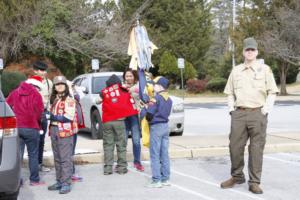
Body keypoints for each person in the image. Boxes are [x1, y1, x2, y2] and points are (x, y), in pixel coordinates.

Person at [221, 37, 279, 194]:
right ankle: (237, 176)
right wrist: (231, 110)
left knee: (256, 149)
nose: (250, 52)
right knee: (234, 147)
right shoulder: (236, 70)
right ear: (243, 52)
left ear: (257, 52)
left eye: (252, 50)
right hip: (239, 114)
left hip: (257, 114)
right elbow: (229, 93)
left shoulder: (264, 69)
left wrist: (266, 110)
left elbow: (272, 91)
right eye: (247, 49)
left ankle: (254, 181)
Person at [6, 76, 45, 186]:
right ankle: (34, 180)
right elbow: (39, 112)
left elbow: (7, 105)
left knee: (18, 155)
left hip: (17, 127)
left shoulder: (15, 92)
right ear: (35, 86)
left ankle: (17, 181)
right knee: (33, 154)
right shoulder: (36, 94)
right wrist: (37, 121)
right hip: (32, 127)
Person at [100, 74, 138, 175]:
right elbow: (133, 97)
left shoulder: (105, 91)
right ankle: (122, 168)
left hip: (107, 121)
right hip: (119, 121)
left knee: (108, 145)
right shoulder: (123, 90)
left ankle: (108, 168)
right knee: (121, 144)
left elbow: (98, 99)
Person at [47, 76, 77, 194]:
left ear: (65, 86)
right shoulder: (55, 99)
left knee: (65, 158)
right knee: (57, 157)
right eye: (57, 84)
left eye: (62, 84)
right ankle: (59, 180)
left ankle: (66, 183)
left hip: (64, 130)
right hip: (54, 129)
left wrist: (52, 116)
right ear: (54, 87)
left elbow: (68, 117)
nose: (59, 86)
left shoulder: (69, 99)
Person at [146, 76, 172, 188]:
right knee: (164, 153)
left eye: (154, 85)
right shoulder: (169, 99)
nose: (153, 86)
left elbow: (149, 114)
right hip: (165, 126)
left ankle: (156, 180)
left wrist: (146, 115)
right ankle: (165, 178)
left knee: (155, 154)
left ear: (160, 86)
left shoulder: (155, 98)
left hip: (156, 127)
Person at [32, 61, 53, 172]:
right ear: (35, 70)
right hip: (31, 115)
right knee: (33, 141)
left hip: (43, 113)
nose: (43, 72)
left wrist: (48, 112)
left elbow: (48, 99)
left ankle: (39, 164)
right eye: (40, 70)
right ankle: (33, 166)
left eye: (44, 70)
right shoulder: (30, 83)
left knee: (41, 140)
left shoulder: (49, 83)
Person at [123, 69, 144, 171]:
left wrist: (131, 90)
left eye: (130, 76)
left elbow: (142, 97)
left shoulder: (138, 87)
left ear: (134, 77)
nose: (128, 78)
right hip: (124, 117)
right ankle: (122, 162)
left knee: (136, 141)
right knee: (123, 141)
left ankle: (137, 162)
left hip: (134, 116)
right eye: (127, 76)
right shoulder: (121, 87)